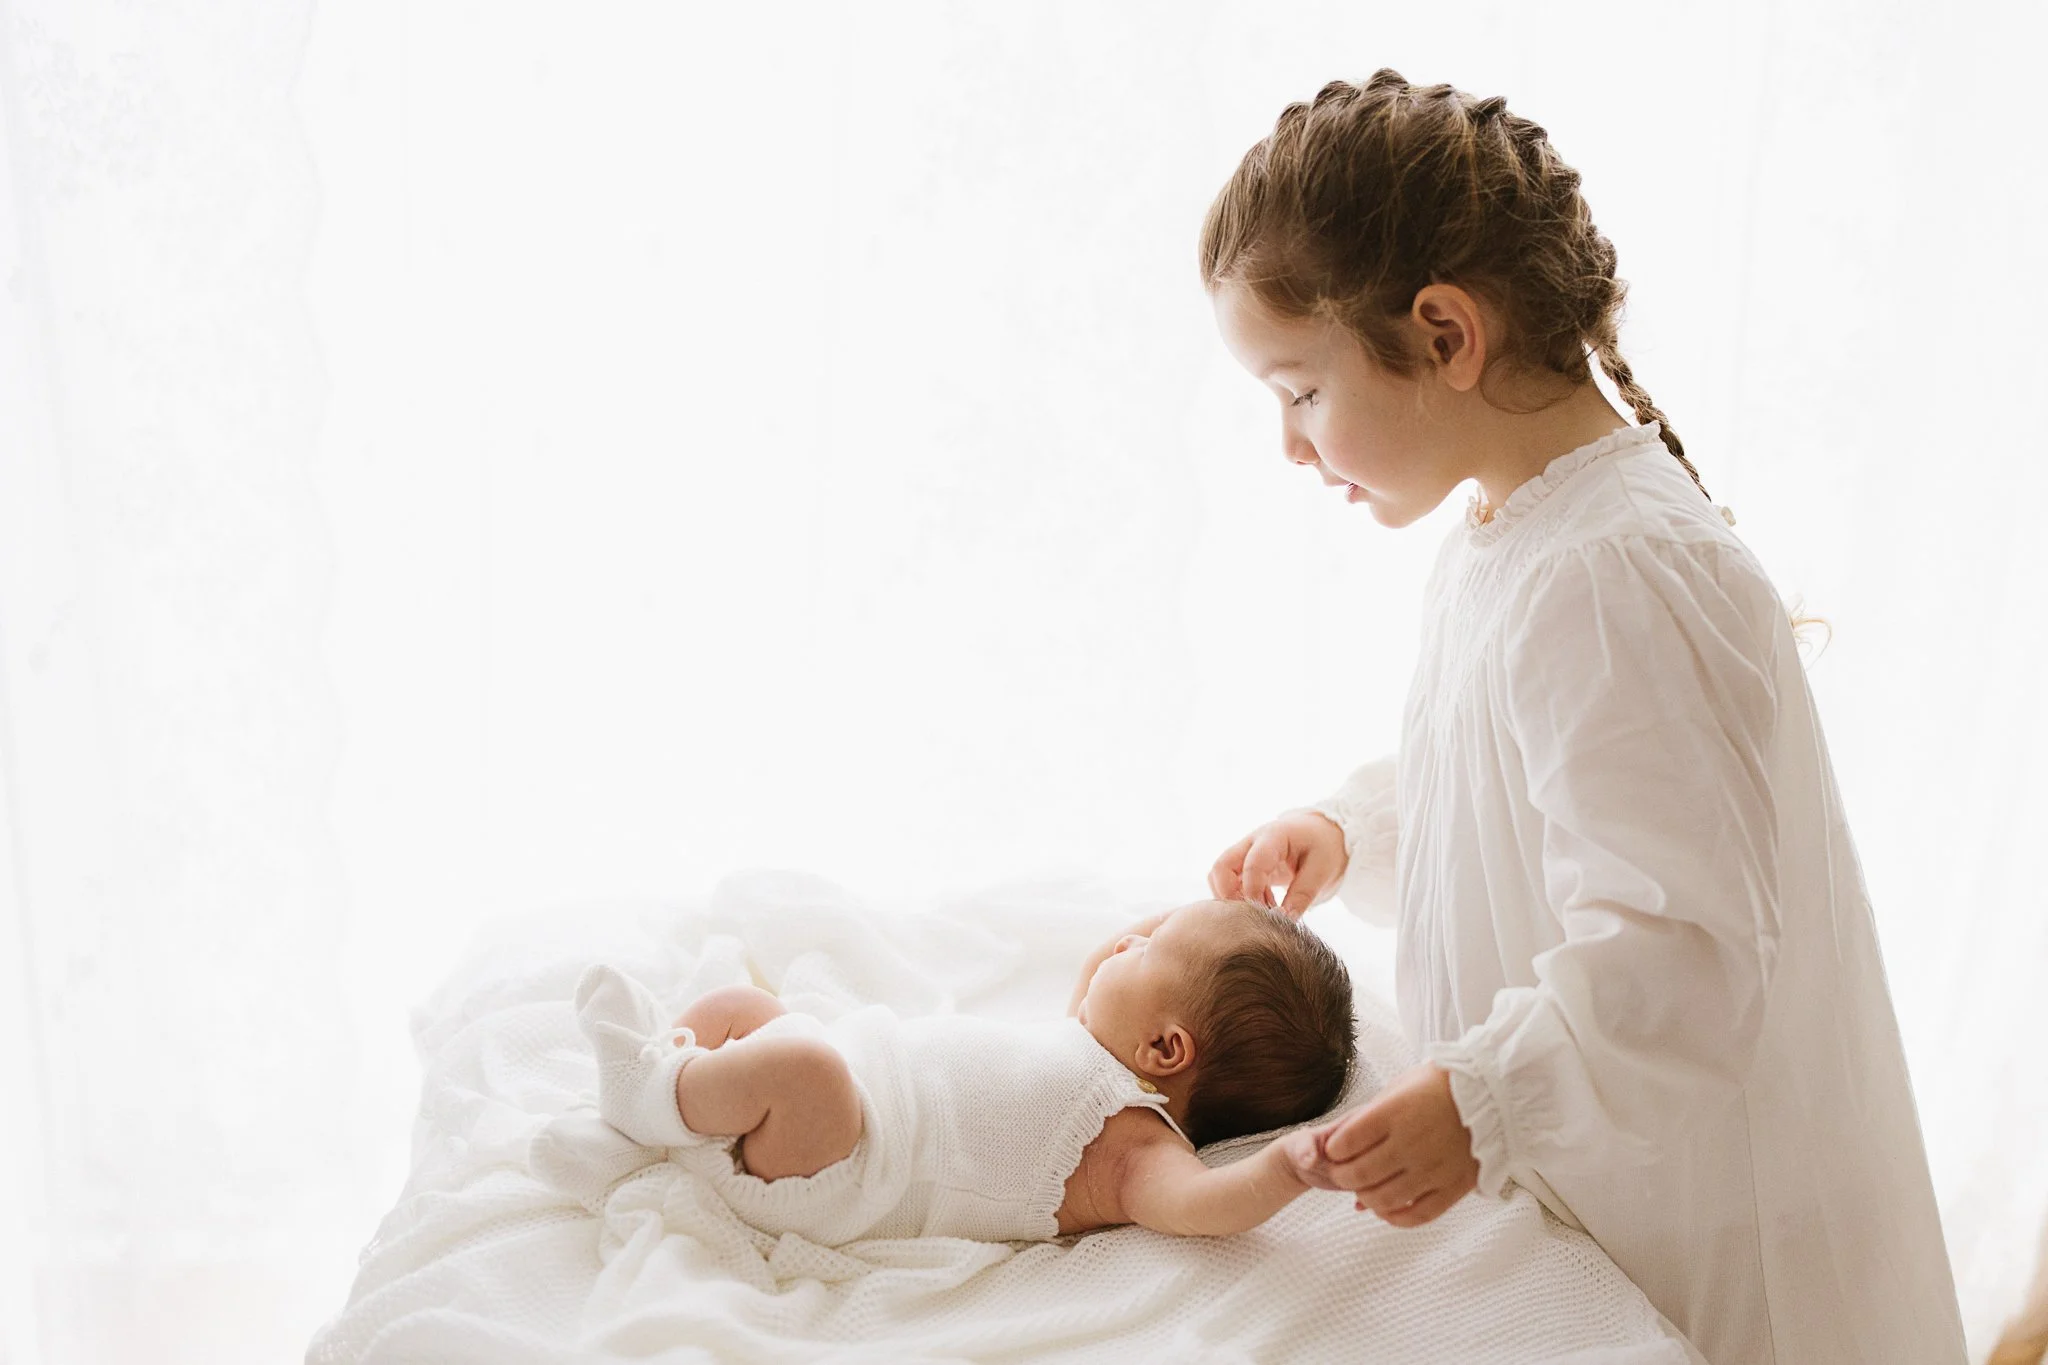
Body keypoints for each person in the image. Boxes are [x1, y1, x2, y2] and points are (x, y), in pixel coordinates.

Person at [1197, 68, 1967, 1364]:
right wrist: (1351, 827)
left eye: (1301, 390)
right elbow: (1513, 776)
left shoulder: (1611, 570)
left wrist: (1488, 1098)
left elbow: (1687, 949)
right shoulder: (1518, 529)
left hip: (1702, 1235)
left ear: (1445, 336)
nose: (1288, 443)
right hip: (1596, 1187)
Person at [547, 897, 1356, 1245]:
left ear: (1167, 1051)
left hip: (845, 1171)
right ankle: (638, 1133)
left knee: (802, 1064)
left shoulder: (1135, 1151)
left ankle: (647, 1094)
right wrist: (1199, 924)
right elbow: (1104, 969)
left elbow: (1205, 1208)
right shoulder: (1089, 1041)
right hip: (846, 1093)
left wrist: (1284, 1169)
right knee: (741, 1007)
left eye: (1149, 948)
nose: (1125, 942)